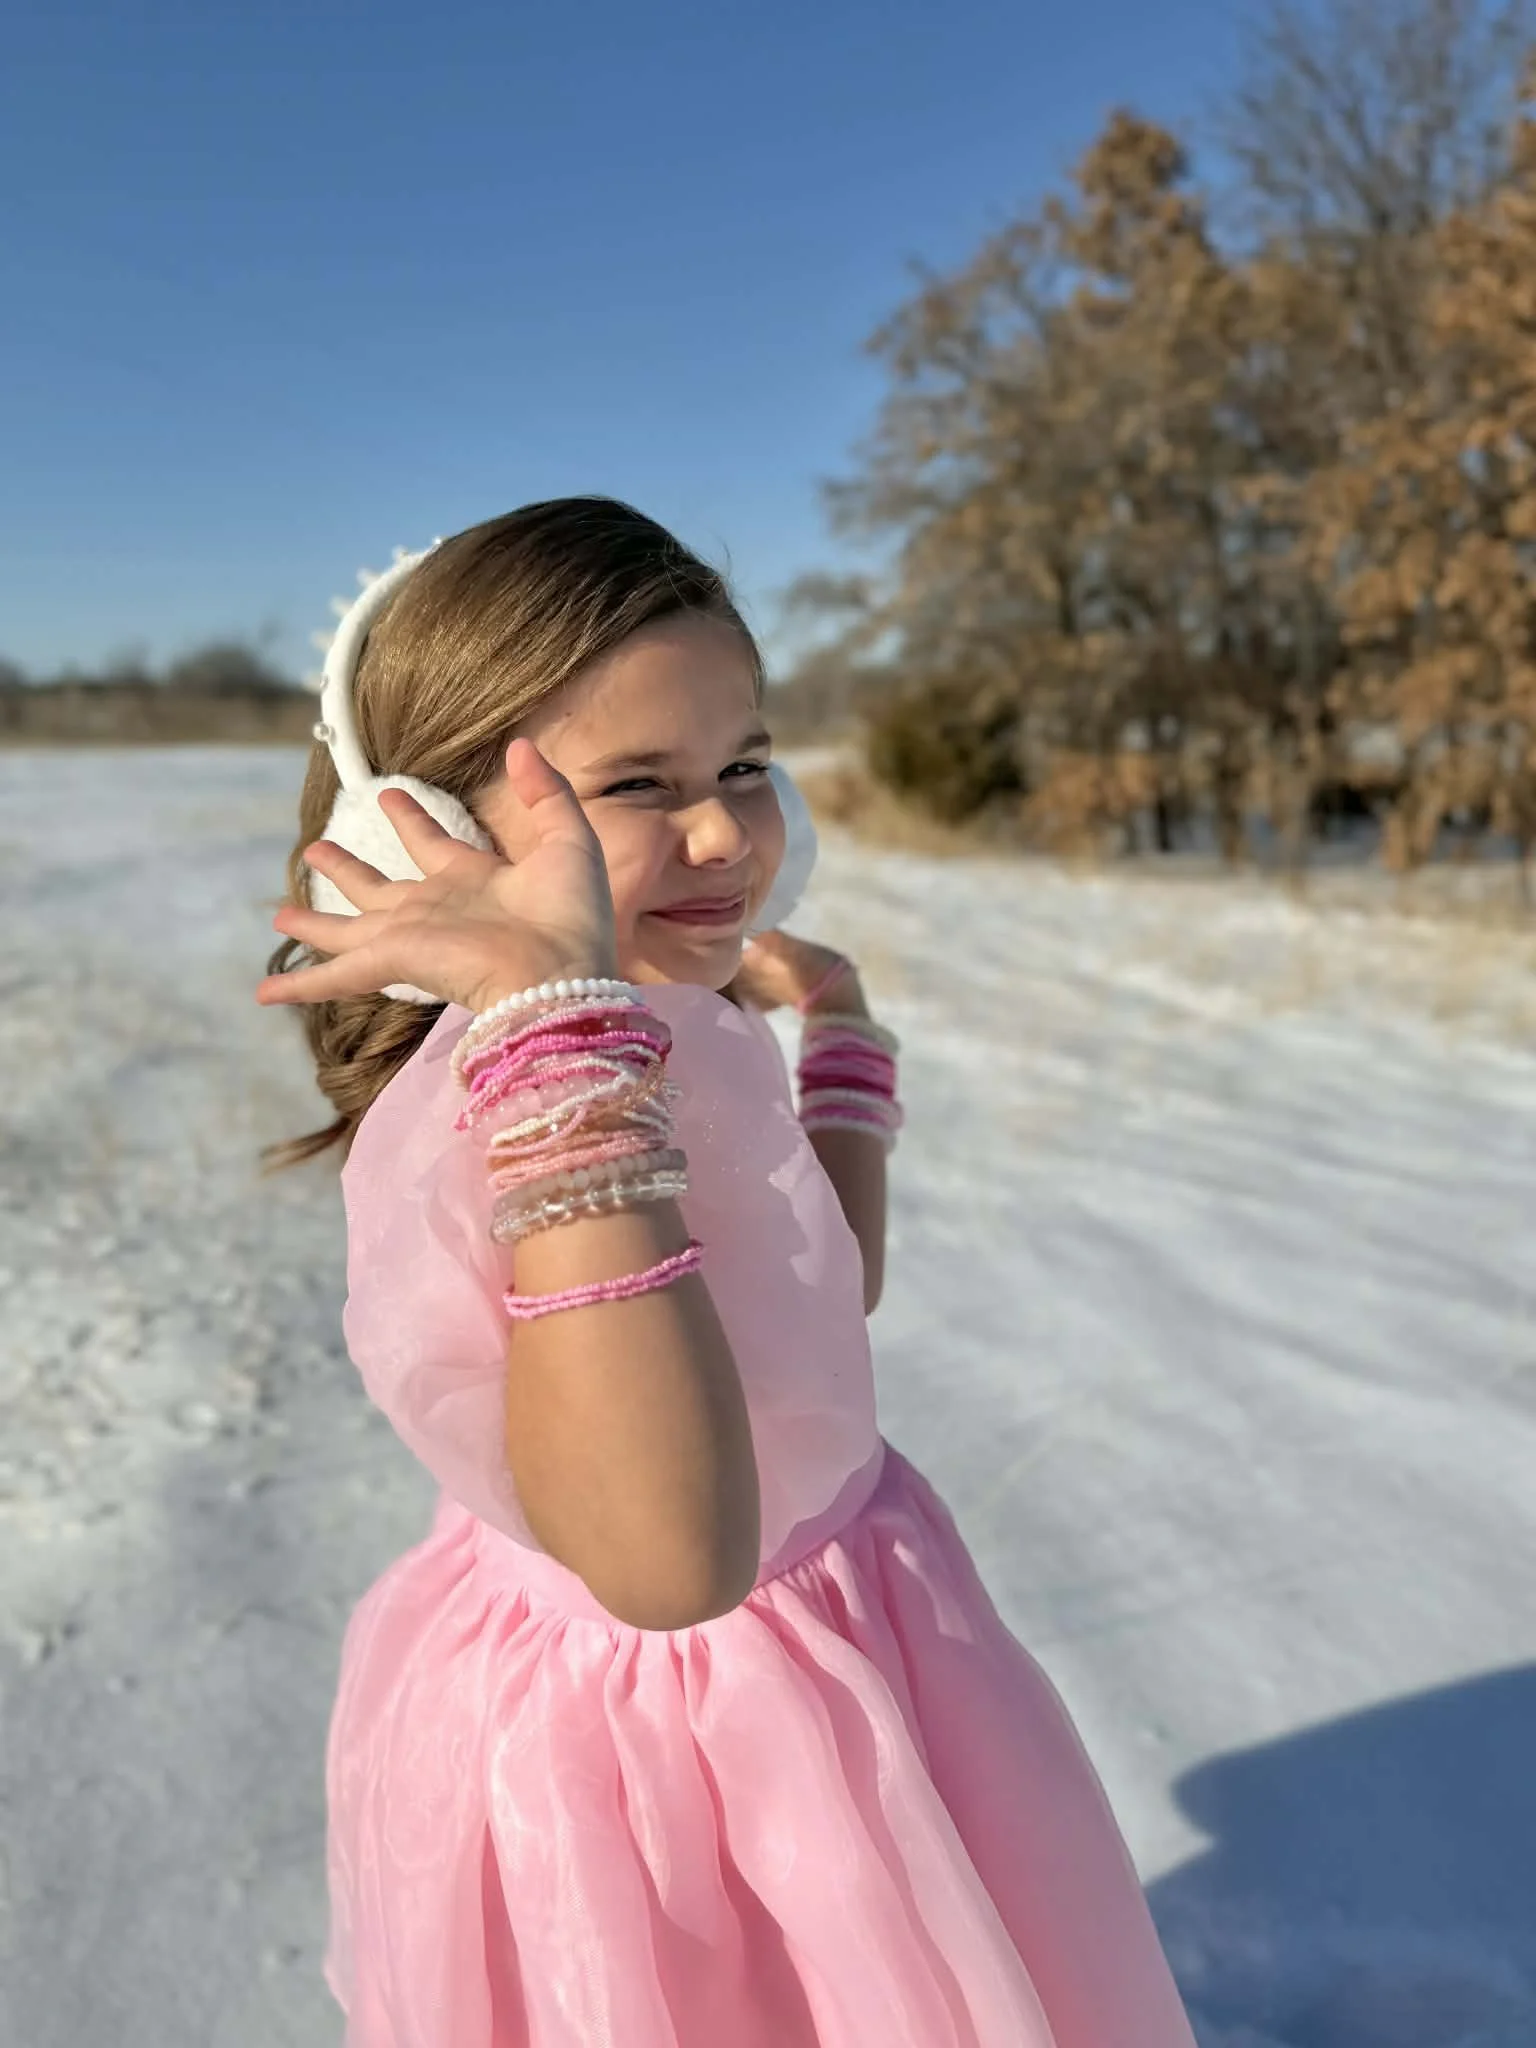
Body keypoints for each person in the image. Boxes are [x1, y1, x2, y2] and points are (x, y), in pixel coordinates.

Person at [256, 498, 1196, 2047]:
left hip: (847, 1649)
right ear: (426, 836)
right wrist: (551, 1036)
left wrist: (844, 1041)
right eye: (639, 785)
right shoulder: (528, 1105)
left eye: (746, 766)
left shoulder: (644, 1035)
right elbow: (667, 1564)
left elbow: (824, 1299)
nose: (726, 838)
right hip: (673, 1764)